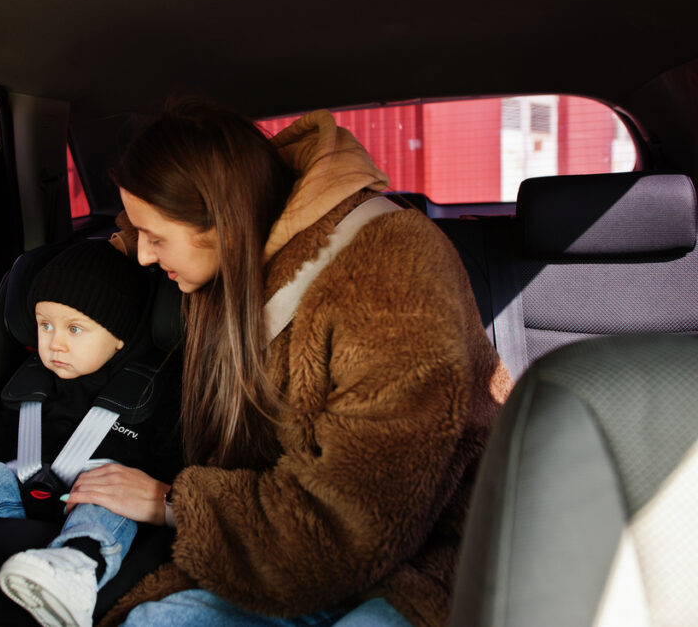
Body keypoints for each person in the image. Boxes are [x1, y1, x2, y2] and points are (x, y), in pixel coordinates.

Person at [59, 100, 513, 627]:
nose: (142, 255)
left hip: (431, 561)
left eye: (156, 239)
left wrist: (172, 502)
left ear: (224, 222)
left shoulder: (390, 278)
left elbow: (355, 527)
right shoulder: (236, 259)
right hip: (290, 551)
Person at [0, 239, 182, 627]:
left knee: (108, 499)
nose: (55, 343)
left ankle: (74, 569)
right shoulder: (30, 383)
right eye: (45, 325)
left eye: (75, 328)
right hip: (15, 504)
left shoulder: (152, 394)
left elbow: (172, 467)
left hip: (94, 511)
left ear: (118, 335)